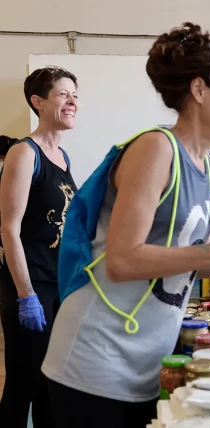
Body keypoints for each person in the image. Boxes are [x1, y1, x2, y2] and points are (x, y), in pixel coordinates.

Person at [41, 22, 210, 428]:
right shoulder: (156, 149)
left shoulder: (205, 166)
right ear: (198, 90)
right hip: (95, 358)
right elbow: (122, 260)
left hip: (147, 360)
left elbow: (200, 261)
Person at [0, 67, 79, 428]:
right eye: (63, 94)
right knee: (23, 384)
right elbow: (9, 230)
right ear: (38, 101)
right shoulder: (23, 153)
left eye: (75, 94)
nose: (73, 101)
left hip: (60, 286)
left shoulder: (63, 159)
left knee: (53, 385)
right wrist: (25, 295)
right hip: (31, 289)